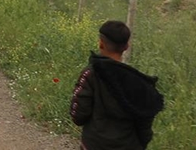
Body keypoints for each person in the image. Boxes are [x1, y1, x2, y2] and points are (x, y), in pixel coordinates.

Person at [70, 20, 164, 150]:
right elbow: (145, 124)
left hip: (94, 144)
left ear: (101, 43)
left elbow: (78, 115)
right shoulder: (138, 82)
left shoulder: (91, 74)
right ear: (126, 47)